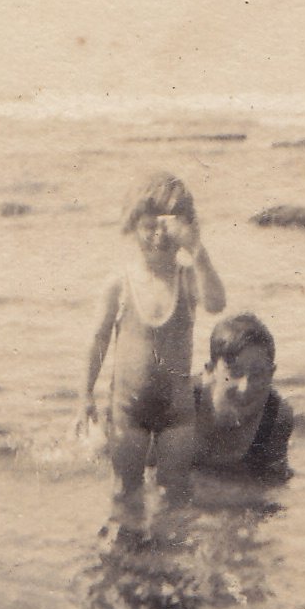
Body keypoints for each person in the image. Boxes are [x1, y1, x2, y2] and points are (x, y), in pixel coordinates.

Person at [81, 172, 226, 522]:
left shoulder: (188, 278)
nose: (160, 235)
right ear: (132, 226)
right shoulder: (119, 283)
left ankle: (170, 562)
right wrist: (84, 395)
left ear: (186, 228)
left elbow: (216, 303)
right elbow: (98, 338)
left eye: (170, 227)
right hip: (127, 411)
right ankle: (127, 560)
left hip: (177, 412)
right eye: (149, 226)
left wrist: (198, 251)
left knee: (175, 492)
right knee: (125, 492)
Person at [190, 313, 294, 483]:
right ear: (210, 370)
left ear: (271, 373)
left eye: (258, 373)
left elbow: (274, 489)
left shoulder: (276, 417)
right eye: (235, 372)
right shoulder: (182, 402)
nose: (245, 387)